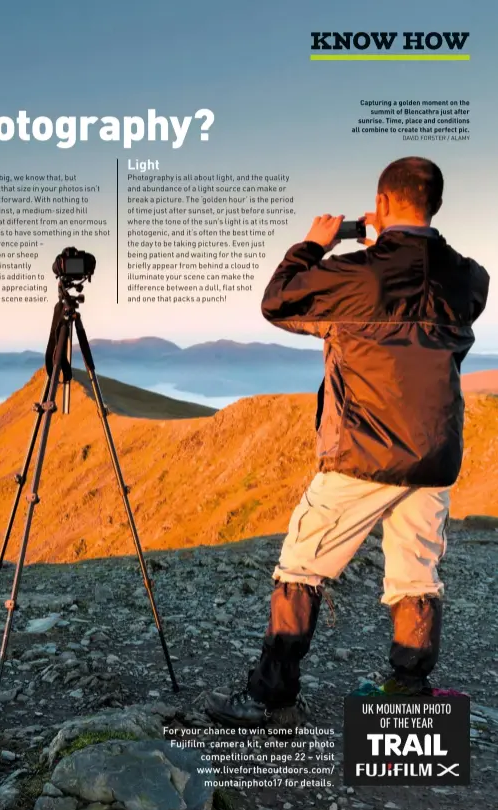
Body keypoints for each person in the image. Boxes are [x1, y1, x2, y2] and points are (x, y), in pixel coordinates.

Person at [206, 157, 490, 729]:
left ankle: (270, 698)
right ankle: (408, 689)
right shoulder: (470, 277)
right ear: (433, 205)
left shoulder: (357, 273)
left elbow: (278, 302)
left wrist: (314, 244)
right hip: (434, 454)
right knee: (416, 573)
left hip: (363, 453)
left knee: (302, 567)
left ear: (380, 204)